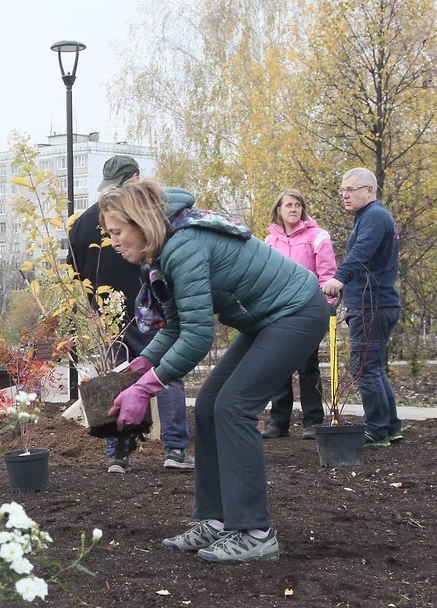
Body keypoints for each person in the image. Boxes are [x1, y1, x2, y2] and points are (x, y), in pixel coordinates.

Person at [100, 179, 328, 563]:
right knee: (208, 404)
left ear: (140, 224)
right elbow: (173, 327)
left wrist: (144, 390)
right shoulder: (162, 253)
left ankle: (255, 532)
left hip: (297, 310)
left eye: (118, 233)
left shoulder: (183, 246)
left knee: (234, 406)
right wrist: (142, 365)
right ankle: (222, 520)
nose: (114, 242)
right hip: (268, 319)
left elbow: (197, 337)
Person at [67, 155, 194, 473]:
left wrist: (90, 314)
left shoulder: (81, 225)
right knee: (166, 372)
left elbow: (74, 276)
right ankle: (175, 449)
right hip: (149, 308)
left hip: (108, 318)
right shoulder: (144, 218)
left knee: (118, 378)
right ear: (136, 179)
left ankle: (117, 455)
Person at [322, 167, 401, 447]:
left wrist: (338, 279)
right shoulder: (373, 216)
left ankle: (377, 430)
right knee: (375, 368)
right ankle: (391, 427)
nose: (345, 195)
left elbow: (361, 252)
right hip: (380, 304)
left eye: (351, 189)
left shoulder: (374, 217)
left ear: (369, 190)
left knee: (365, 369)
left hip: (372, 306)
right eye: (342, 189)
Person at [262, 189, 338, 440]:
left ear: (303, 209)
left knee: (308, 367)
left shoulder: (318, 236)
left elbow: (327, 274)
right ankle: (278, 423)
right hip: (278, 312)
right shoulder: (269, 242)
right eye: (288, 205)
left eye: (297, 205)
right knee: (278, 367)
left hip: (307, 310)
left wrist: (325, 305)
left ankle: (313, 422)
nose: (293, 209)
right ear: (279, 210)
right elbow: (264, 277)